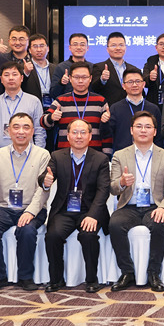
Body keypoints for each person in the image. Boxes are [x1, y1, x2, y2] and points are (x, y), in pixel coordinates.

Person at [0, 113, 50, 292]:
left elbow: (43, 189)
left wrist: (30, 212)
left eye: (26, 127)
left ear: (32, 131)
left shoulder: (43, 155)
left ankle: (25, 276)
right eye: (16, 127)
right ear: (8, 131)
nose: (21, 131)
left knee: (27, 230)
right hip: (4, 208)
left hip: (32, 207)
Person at [109, 111, 164, 292]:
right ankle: (127, 272)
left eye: (148, 127)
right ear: (131, 130)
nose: (143, 130)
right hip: (129, 206)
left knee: (159, 223)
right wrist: (121, 182)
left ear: (155, 131)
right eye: (139, 126)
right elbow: (113, 188)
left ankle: (154, 273)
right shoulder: (119, 155)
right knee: (115, 224)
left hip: (155, 205)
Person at [39, 119, 110, 293]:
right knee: (53, 236)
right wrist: (45, 182)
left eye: (83, 132)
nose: (79, 136)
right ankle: (56, 279)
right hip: (64, 210)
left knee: (88, 235)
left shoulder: (100, 159)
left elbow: (103, 191)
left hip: (89, 210)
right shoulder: (57, 156)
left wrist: (93, 215)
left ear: (90, 136)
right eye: (75, 132)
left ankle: (92, 279)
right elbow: (44, 177)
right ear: (68, 136)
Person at [40, 61, 112, 155]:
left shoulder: (100, 101)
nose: (80, 81)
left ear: (90, 78)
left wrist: (106, 156)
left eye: (84, 77)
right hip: (65, 156)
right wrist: (52, 117)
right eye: (76, 77)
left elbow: (107, 134)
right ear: (70, 78)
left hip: (94, 156)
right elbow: (42, 122)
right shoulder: (61, 101)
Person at [0, 61, 46, 149]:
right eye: (6, 75)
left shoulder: (34, 101)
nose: (11, 78)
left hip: (26, 151)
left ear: (21, 78)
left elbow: (39, 130)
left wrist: (38, 152)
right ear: (1, 79)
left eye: (14, 74)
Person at [102, 68, 162, 152]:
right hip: (122, 155)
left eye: (138, 81)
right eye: (130, 82)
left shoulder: (153, 108)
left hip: (148, 154)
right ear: (123, 86)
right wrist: (104, 122)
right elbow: (106, 135)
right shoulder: (115, 108)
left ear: (143, 84)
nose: (134, 85)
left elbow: (158, 138)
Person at [91, 31, 142, 105]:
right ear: (107, 49)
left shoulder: (134, 69)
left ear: (125, 48)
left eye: (121, 45)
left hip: (130, 107)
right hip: (108, 108)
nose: (118, 48)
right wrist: (102, 80)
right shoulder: (99, 67)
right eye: (113, 45)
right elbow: (93, 88)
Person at [22, 33, 56, 111]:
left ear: (48, 48)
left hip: (53, 109)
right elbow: (19, 88)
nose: (39, 50)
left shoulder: (55, 68)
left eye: (42, 46)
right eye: (35, 46)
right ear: (29, 50)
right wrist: (26, 73)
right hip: (31, 108)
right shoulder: (23, 68)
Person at [51, 33, 90, 98]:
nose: (79, 47)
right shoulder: (61, 67)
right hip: (66, 103)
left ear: (87, 48)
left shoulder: (92, 67)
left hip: (89, 102)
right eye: (75, 44)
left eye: (82, 45)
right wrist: (61, 83)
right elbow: (53, 93)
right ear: (70, 47)